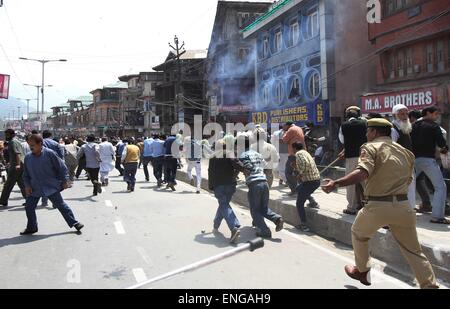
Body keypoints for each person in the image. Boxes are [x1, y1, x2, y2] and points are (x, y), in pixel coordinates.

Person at [322, 118, 439, 289]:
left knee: (359, 233)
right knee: (414, 251)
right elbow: (409, 180)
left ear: (375, 132)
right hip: (403, 206)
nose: (366, 134)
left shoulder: (369, 147)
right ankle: (429, 285)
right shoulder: (406, 152)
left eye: (368, 131)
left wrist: (336, 183)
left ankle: (362, 270)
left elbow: (362, 173)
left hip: (377, 205)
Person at [21, 134, 84, 235]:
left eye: (33, 145)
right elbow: (26, 174)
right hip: (35, 187)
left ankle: (75, 223)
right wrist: (27, 186)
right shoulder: (28, 158)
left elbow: (62, 167)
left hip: (50, 186)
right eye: (29, 145)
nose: (31, 147)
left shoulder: (50, 154)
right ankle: (32, 227)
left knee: (61, 205)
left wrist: (65, 180)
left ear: (40, 144)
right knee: (29, 207)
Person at [238, 137, 284, 239]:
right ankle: (277, 219)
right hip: (264, 182)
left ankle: (264, 230)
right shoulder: (257, 154)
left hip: (254, 184)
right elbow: (264, 165)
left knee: (255, 210)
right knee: (263, 208)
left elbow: (247, 168)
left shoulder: (243, 155)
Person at [411, 107, 449, 224]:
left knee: (407, 187)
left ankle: (405, 214)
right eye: (435, 114)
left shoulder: (412, 126)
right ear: (428, 113)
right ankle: (437, 216)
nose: (437, 116)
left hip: (412, 160)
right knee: (440, 187)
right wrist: (446, 152)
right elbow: (441, 144)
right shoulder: (433, 126)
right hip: (428, 159)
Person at [208, 141, 242, 244]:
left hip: (219, 185)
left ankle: (234, 227)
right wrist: (241, 172)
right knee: (224, 205)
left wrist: (211, 186)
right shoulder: (230, 153)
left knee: (223, 204)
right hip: (230, 185)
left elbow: (210, 171)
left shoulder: (212, 156)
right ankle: (216, 225)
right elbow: (238, 164)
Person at [339, 106, 367, 215]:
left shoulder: (344, 125)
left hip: (351, 157)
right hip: (365, 155)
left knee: (350, 182)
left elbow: (342, 140)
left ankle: (351, 207)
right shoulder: (365, 123)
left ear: (347, 116)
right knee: (366, 181)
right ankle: (370, 206)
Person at [390, 104, 416, 210]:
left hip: (408, 163)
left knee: (410, 187)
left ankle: (409, 211)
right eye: (401, 114)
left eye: (406, 113)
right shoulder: (393, 129)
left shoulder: (406, 127)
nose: (405, 116)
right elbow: (391, 147)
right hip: (399, 164)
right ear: (395, 115)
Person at [292, 142, 321, 232]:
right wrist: (296, 168)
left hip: (310, 182)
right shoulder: (305, 152)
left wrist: (300, 174)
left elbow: (305, 164)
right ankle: (312, 202)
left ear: (294, 148)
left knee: (299, 203)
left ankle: (304, 225)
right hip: (315, 180)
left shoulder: (298, 153)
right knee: (298, 189)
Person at [0, 129, 27, 207]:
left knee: (8, 184)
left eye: (7, 135)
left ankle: (3, 201)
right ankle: (29, 200)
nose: (6, 136)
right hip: (21, 165)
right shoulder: (17, 141)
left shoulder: (12, 142)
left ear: (11, 135)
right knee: (22, 184)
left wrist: (17, 164)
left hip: (16, 166)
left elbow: (17, 154)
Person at [282, 121, 307, 195]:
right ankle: (301, 189)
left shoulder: (291, 129)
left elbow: (284, 139)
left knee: (288, 172)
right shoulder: (299, 128)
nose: (283, 127)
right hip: (301, 153)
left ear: (287, 125)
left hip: (293, 154)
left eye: (284, 126)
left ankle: (294, 190)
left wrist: (285, 132)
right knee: (297, 172)